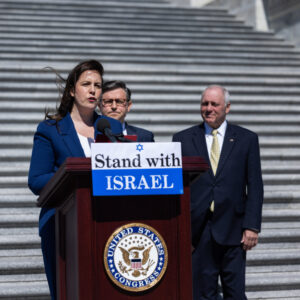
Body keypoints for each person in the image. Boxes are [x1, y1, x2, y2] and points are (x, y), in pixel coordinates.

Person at [28, 60, 122, 300]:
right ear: (72, 90)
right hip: (62, 224)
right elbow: (37, 179)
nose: (93, 90)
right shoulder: (51, 129)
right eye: (86, 84)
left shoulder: (111, 127)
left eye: (98, 85)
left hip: (107, 224)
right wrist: (76, 177)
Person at [172, 85, 263, 299]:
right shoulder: (183, 138)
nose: (209, 108)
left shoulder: (246, 139)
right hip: (198, 231)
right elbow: (177, 187)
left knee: (235, 292)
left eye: (215, 104)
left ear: (227, 107)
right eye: (205, 103)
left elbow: (255, 185)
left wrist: (252, 226)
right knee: (202, 293)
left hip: (234, 230)